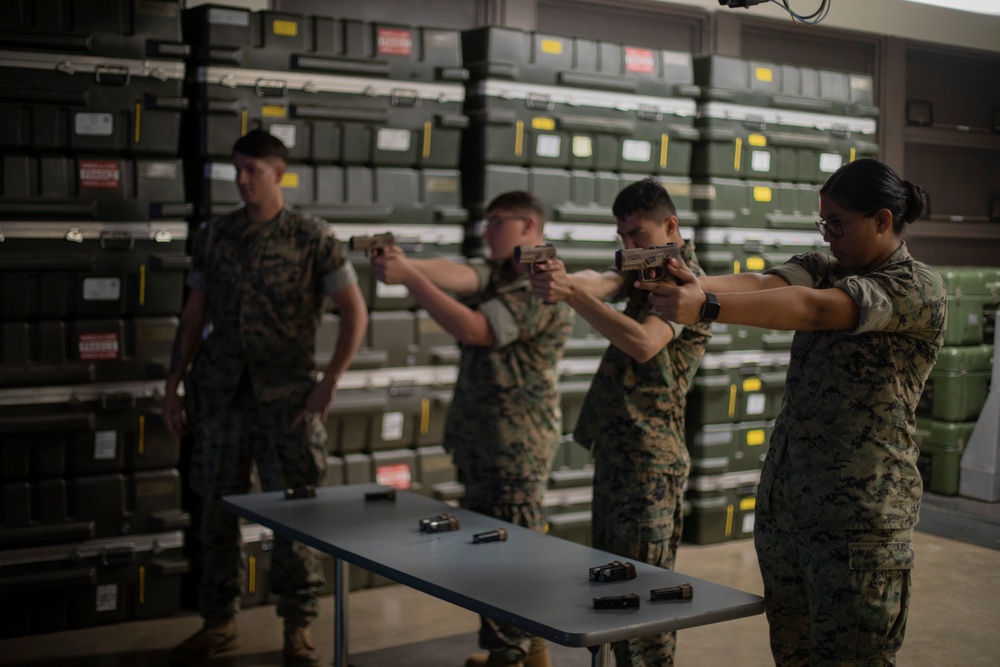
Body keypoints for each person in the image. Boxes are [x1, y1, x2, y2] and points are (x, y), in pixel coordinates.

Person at [639, 158, 948, 665]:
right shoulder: (830, 264)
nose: (828, 236)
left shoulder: (915, 287)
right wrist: (695, 284)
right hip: (790, 510)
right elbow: (763, 284)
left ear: (884, 221)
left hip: (861, 521)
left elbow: (814, 308)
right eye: (823, 223)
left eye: (839, 223)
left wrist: (707, 307)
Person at [163, 129, 368, 667]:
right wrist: (173, 386)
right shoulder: (215, 236)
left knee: (296, 513)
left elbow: (355, 312)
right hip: (220, 396)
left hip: (288, 397)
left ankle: (298, 626)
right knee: (215, 510)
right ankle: (218, 620)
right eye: (237, 168)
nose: (242, 179)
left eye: (253, 169)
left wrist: (330, 380)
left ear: (279, 173)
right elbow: (192, 317)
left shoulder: (312, 237)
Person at [370, 191, 572, 667]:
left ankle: (513, 655)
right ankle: (523, 650)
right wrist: (404, 262)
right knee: (491, 551)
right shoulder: (501, 270)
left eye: (496, 222)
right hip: (487, 440)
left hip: (515, 445)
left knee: (509, 555)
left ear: (528, 226)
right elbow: (461, 272)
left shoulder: (544, 283)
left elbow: (477, 329)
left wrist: (410, 278)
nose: (486, 231)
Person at [530, 177, 711, 667]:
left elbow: (643, 341)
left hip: (651, 463)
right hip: (619, 454)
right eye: (622, 236)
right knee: (611, 593)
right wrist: (561, 278)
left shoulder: (686, 283)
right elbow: (601, 279)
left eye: (639, 234)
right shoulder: (644, 266)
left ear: (670, 226)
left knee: (645, 604)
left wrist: (571, 294)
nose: (629, 245)